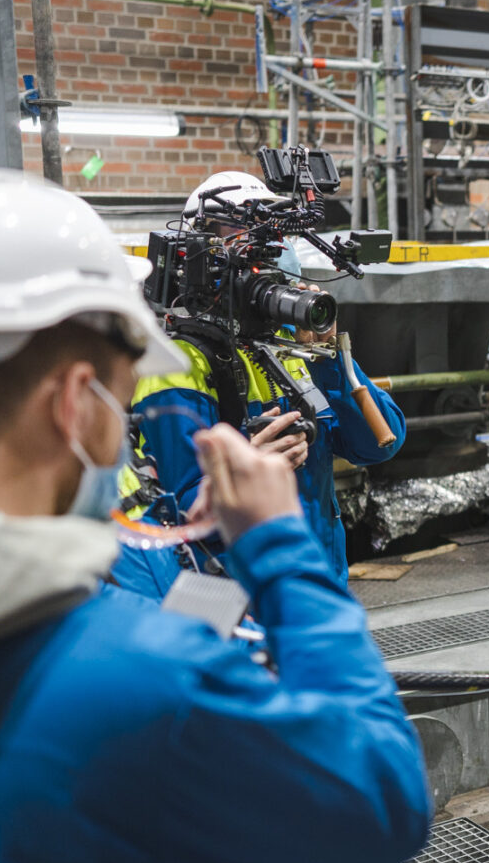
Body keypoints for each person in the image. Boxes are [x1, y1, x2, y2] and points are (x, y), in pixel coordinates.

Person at [0, 168, 431, 863]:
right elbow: (381, 795)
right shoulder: (143, 680)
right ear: (74, 403)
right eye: (120, 391)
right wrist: (276, 552)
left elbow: (381, 439)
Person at [111, 170, 406, 597]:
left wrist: (329, 359)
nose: (267, 253)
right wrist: (243, 470)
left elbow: (381, 442)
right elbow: (177, 514)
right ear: (199, 251)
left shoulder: (293, 344)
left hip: (315, 582)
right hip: (233, 600)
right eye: (240, 233)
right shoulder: (178, 363)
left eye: (273, 239)